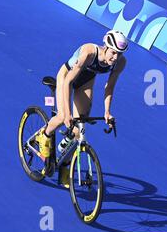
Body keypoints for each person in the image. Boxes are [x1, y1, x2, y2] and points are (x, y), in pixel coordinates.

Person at [35, 30, 128, 184]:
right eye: (113, 52)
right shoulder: (89, 53)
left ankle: (65, 165)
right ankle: (44, 135)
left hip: (86, 81)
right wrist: (68, 114)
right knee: (62, 117)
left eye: (119, 53)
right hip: (66, 77)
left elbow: (109, 87)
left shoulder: (120, 63)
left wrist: (107, 112)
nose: (115, 57)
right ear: (106, 47)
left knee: (79, 129)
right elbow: (68, 82)